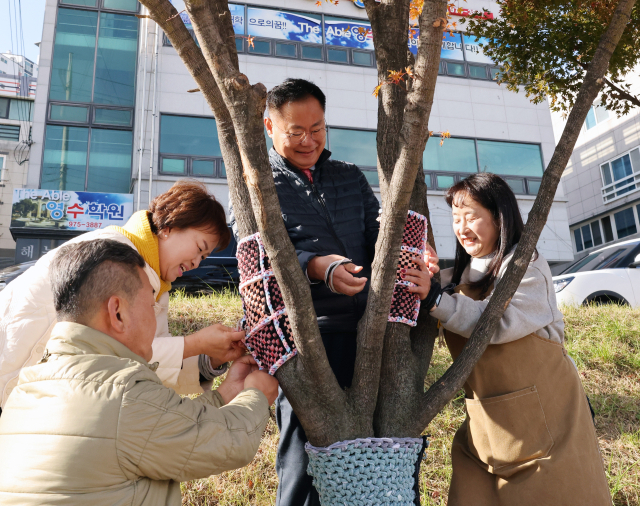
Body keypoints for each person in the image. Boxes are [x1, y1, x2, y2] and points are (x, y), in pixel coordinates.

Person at [230, 78, 437, 506]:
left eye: (318, 128)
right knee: (302, 459)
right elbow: (262, 254)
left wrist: (416, 250)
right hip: (311, 340)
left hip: (370, 331)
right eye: (296, 132)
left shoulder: (348, 175)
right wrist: (318, 267)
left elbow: (379, 230)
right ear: (269, 128)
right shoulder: (257, 183)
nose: (309, 140)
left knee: (385, 455)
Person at [0, 239, 278, 505]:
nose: (156, 313)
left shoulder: (24, 390)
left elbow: (170, 425)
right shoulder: (122, 393)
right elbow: (226, 441)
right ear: (117, 312)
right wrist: (257, 395)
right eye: (150, 304)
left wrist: (227, 393)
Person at [422, 173, 611, 505]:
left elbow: (498, 323)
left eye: (472, 216)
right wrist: (427, 280)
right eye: (455, 218)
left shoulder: (527, 267)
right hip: (487, 434)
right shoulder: (455, 281)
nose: (462, 227)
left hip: (548, 432)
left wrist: (437, 301)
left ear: (499, 217)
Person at [0, 180, 245, 414]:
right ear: (169, 227)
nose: (196, 263)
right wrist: (196, 344)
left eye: (203, 258)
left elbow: (147, 367)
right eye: (199, 248)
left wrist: (209, 360)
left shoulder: (153, 280)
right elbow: (121, 353)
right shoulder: (113, 256)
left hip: (28, 397)